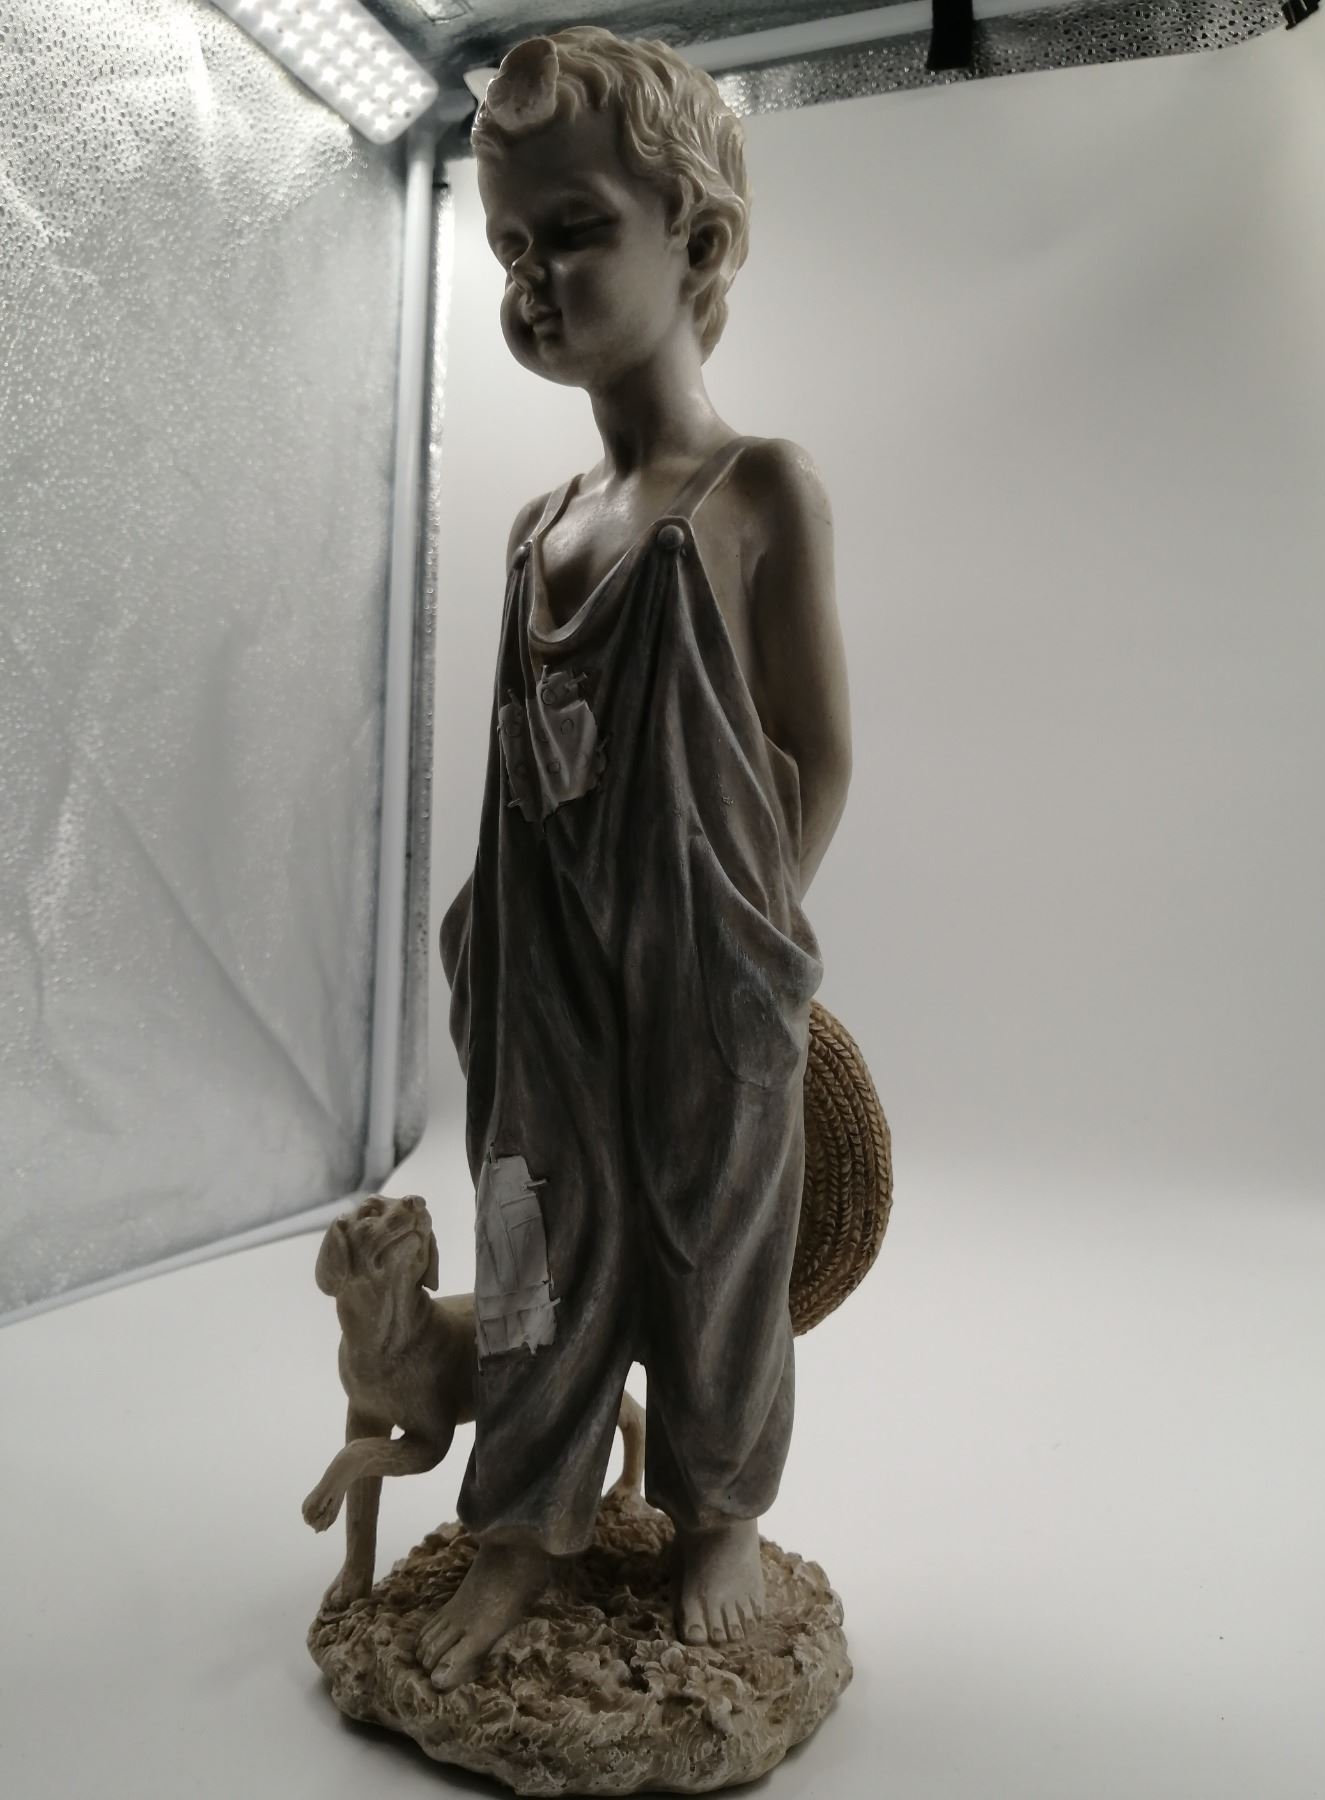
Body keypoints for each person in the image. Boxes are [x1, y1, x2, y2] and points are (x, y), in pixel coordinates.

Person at [426, 24, 852, 1693]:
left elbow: (816, 747)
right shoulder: (540, 527)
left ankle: (716, 1508)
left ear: (698, 235)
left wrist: (747, 944)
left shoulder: (758, 490)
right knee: (527, 1211)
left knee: (713, 1224)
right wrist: (486, 927)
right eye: (508, 248)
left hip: (704, 952)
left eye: (574, 230)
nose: (534, 278)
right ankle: (524, 1516)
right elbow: (512, 765)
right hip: (543, 954)